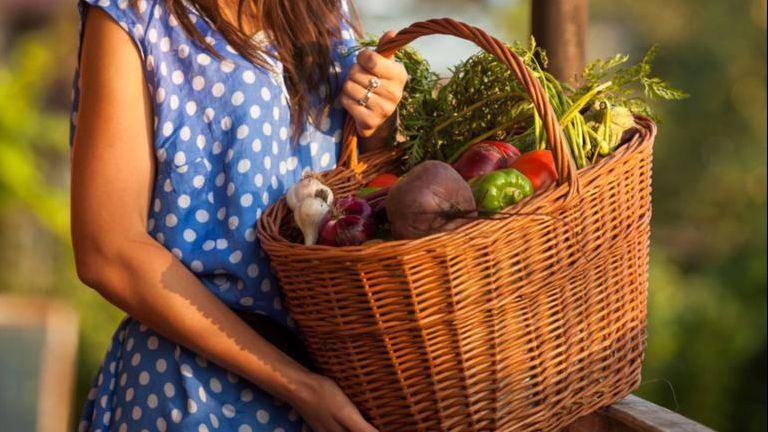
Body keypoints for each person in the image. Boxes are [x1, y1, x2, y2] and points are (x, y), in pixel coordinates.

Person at [69, 0, 408, 430]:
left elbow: (356, 201)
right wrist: (298, 385)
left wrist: (378, 124)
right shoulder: (137, 13)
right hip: (192, 394)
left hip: (330, 394)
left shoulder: (326, 11)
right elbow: (108, 250)